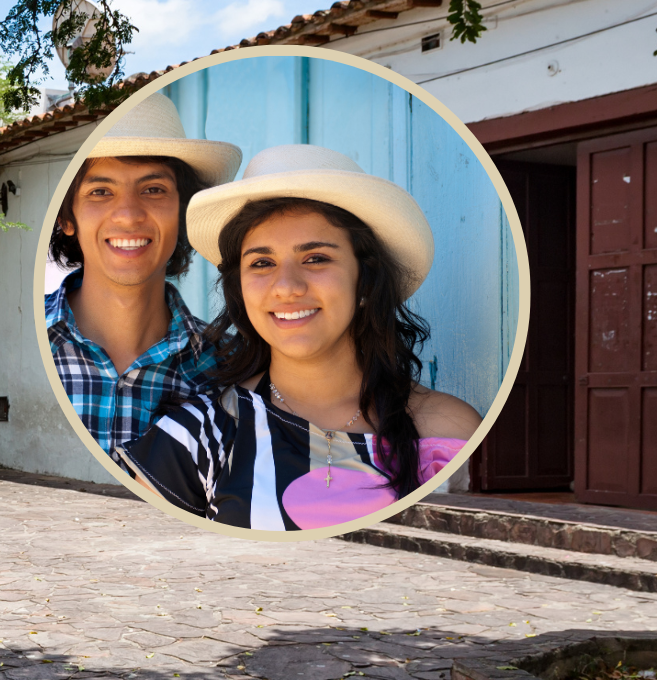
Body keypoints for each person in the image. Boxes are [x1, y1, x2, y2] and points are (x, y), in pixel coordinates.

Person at [117, 144, 482, 531]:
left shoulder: (448, 432)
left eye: (315, 258)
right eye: (262, 263)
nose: (287, 287)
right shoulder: (194, 437)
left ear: (365, 281)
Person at [45, 95, 243, 451]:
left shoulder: (233, 369)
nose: (129, 215)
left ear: (183, 213)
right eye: (100, 191)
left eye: (153, 190)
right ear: (67, 218)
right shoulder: (24, 336)